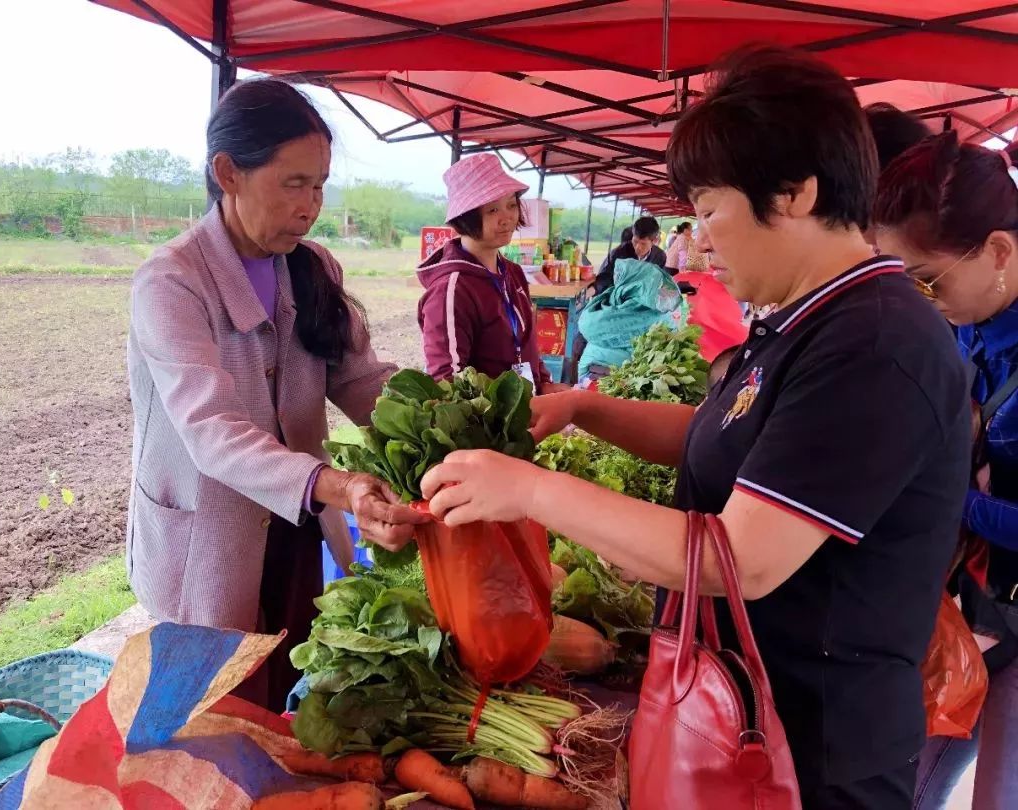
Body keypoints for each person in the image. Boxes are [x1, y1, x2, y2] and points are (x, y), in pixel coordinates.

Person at [420, 46, 970, 810]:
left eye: (710, 209)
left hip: (805, 753)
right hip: (741, 717)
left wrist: (532, 491)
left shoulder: (873, 342)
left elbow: (741, 560)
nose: (700, 241)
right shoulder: (808, 318)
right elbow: (723, 440)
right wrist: (587, 409)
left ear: (795, 193)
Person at [125, 79, 425, 711]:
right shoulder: (172, 282)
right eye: (294, 184)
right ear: (229, 173)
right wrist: (342, 486)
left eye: (319, 185)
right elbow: (211, 431)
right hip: (206, 538)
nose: (311, 205)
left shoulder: (311, 266)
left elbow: (358, 377)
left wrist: (437, 423)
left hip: (294, 524)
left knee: (284, 683)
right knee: (213, 705)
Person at [875, 132, 1018, 810]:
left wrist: (953, 503)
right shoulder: (964, 321)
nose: (920, 299)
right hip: (970, 601)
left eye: (928, 279)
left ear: (998, 251)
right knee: (913, 781)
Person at [417, 153, 559, 391]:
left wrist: (543, 383)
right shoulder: (452, 289)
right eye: (492, 210)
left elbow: (526, 343)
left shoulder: (512, 272)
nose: (507, 218)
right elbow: (447, 381)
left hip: (524, 412)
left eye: (511, 205)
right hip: (487, 424)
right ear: (465, 219)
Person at [595, 216, 669, 293]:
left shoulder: (660, 257)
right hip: (618, 296)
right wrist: (593, 290)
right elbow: (604, 278)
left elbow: (659, 281)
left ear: (655, 241)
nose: (638, 247)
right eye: (635, 241)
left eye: (643, 244)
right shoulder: (618, 253)